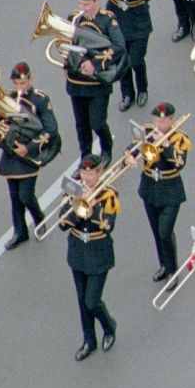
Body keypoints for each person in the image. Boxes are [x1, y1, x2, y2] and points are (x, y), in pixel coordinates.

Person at [62, 154, 120, 361]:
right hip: (78, 250)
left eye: (90, 173)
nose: (86, 177)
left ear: (99, 172)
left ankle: (109, 325)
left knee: (92, 300)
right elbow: (62, 224)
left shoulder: (109, 194)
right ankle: (89, 340)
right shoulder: (73, 191)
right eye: (84, 172)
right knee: (81, 300)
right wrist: (78, 207)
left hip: (98, 251)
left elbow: (108, 226)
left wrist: (92, 206)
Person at [0, 61, 59, 250]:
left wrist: (29, 148)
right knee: (15, 196)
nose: (19, 88)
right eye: (16, 84)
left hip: (30, 153)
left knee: (25, 195)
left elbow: (51, 130)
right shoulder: (7, 99)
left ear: (30, 80)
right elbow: (1, 121)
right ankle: (20, 232)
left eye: (23, 83)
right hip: (11, 153)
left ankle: (39, 219)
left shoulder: (40, 100)